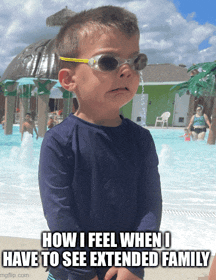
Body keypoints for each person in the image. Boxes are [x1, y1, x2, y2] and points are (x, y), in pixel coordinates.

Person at [39, 6, 162, 280]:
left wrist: (134, 262)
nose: (127, 70)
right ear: (69, 79)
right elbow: (60, 215)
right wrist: (84, 272)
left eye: (136, 61)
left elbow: (150, 204)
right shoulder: (59, 141)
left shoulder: (141, 139)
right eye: (108, 62)